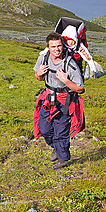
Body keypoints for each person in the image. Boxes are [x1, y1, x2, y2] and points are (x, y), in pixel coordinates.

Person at [33, 32, 85, 169]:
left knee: (60, 131)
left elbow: (80, 89)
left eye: (59, 46)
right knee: (44, 128)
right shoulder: (43, 58)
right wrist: (38, 74)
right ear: (48, 47)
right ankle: (56, 148)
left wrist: (66, 80)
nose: (57, 49)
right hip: (48, 98)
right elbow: (38, 76)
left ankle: (63, 159)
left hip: (64, 101)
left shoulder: (70, 64)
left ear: (63, 46)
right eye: (53, 46)